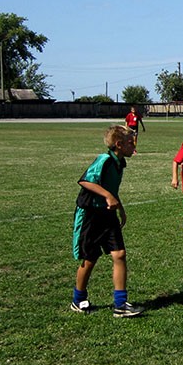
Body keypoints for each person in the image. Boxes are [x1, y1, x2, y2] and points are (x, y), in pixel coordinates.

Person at [71, 125, 144, 317]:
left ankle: (120, 304)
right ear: (119, 145)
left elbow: (111, 188)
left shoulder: (120, 163)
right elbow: (86, 181)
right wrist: (108, 197)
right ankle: (78, 300)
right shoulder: (104, 160)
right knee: (90, 258)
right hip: (91, 214)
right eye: (130, 143)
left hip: (108, 214)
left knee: (119, 254)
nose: (133, 146)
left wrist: (120, 207)